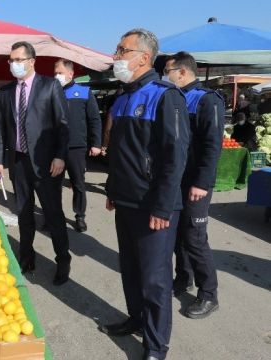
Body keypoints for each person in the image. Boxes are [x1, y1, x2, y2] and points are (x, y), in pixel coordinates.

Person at [99, 29, 190, 360]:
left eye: (123, 50)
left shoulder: (166, 96)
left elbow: (175, 158)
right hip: (126, 200)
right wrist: (113, 189)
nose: (116, 55)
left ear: (144, 58)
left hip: (154, 206)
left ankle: (155, 346)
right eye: (118, 48)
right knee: (131, 269)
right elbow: (120, 153)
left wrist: (163, 208)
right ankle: (136, 319)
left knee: (155, 281)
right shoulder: (123, 97)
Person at [0, 41, 71, 285]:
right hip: (19, 162)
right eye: (11, 60)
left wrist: (60, 156)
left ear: (32, 61)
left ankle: (63, 260)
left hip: (47, 163)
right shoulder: (5, 92)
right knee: (24, 213)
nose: (13, 64)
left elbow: (63, 125)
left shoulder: (50, 86)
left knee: (53, 213)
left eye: (18, 60)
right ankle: (26, 256)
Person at [164, 52, 224, 319]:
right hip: (176, 179)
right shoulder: (174, 98)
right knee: (178, 234)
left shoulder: (206, 100)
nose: (165, 75)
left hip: (195, 182)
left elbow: (213, 145)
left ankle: (208, 294)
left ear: (183, 72)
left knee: (195, 237)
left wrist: (202, 182)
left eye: (168, 70)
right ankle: (183, 278)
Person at [54, 59, 102, 232]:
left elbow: (94, 119)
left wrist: (96, 143)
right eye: (55, 73)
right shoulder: (52, 91)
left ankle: (79, 216)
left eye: (59, 72)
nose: (56, 76)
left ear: (70, 74)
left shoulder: (84, 92)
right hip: (55, 149)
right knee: (53, 185)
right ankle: (53, 216)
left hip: (76, 147)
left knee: (78, 184)